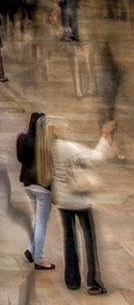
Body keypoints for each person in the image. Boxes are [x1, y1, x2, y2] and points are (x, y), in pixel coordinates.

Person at [51, 118, 116, 294]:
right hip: (79, 200)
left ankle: (72, 280)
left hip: (63, 200)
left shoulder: (52, 148)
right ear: (57, 131)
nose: (67, 129)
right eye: (64, 127)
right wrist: (104, 135)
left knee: (69, 239)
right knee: (89, 239)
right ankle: (93, 282)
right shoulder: (68, 147)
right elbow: (96, 158)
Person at [16, 112, 55, 270]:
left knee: (36, 219)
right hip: (42, 187)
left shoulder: (22, 139)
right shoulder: (45, 143)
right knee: (41, 223)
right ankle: (39, 259)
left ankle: (31, 249)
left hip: (27, 184)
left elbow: (20, 158)